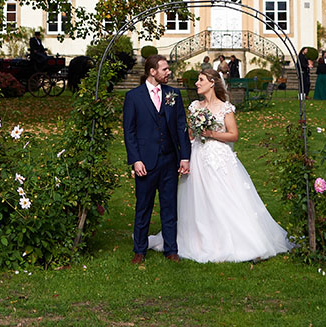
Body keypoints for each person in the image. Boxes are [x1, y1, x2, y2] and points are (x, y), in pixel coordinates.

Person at [149, 68, 292, 262]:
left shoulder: (225, 108)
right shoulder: (194, 106)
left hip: (218, 157)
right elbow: (190, 134)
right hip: (197, 155)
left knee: (224, 196)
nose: (197, 83)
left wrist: (210, 134)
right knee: (198, 199)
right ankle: (199, 238)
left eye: (200, 80)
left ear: (212, 83)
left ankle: (239, 240)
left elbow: (233, 135)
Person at [123, 55, 191, 264]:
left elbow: (182, 126)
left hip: (169, 160)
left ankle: (171, 249)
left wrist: (185, 157)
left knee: (169, 206)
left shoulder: (173, 94)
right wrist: (136, 160)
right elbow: (129, 131)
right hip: (146, 162)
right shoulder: (133, 97)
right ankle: (139, 250)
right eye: (164, 69)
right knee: (143, 206)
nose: (168, 72)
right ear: (152, 71)